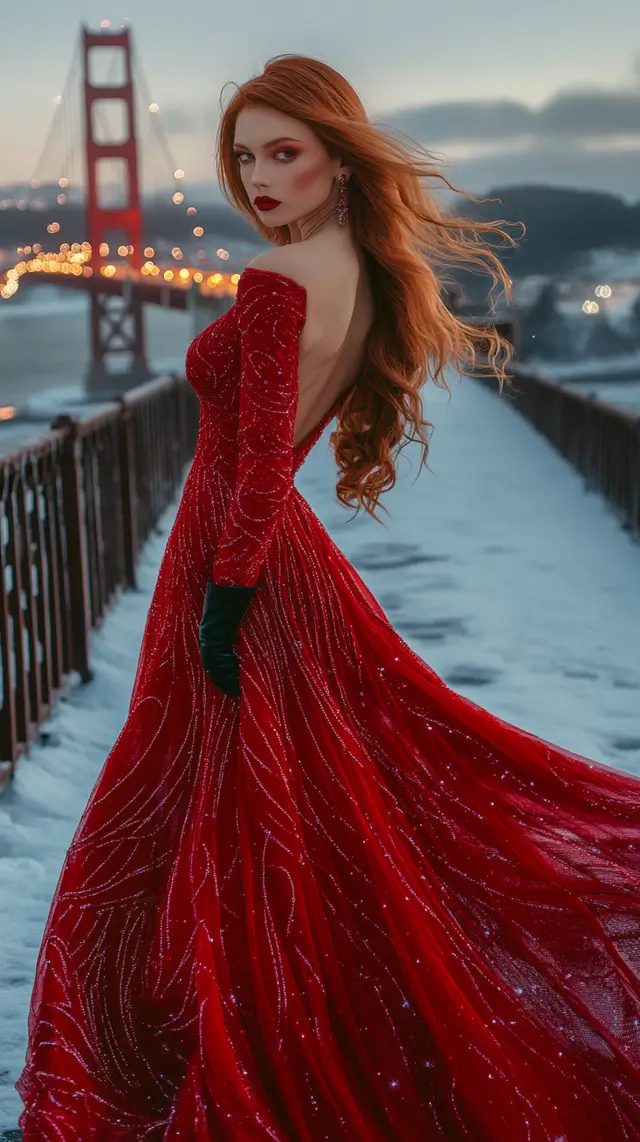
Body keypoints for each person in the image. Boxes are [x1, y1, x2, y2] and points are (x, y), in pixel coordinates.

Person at [15, 54, 640, 1142]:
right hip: (273, 564)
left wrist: (224, 600)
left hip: (235, 565)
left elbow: (256, 461)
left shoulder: (273, 277)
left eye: (282, 152)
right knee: (285, 812)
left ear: (338, 159)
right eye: (245, 155)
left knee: (177, 818)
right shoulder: (356, 266)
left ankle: (203, 1047)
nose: (258, 176)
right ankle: (292, 1020)